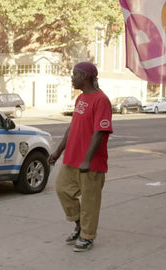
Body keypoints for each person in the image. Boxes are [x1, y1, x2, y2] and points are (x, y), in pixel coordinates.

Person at [48, 62, 112, 252]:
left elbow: (100, 131)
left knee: (90, 202)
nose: (72, 77)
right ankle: (79, 224)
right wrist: (58, 151)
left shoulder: (101, 100)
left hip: (91, 163)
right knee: (62, 190)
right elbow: (72, 127)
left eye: (74, 74)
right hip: (72, 158)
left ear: (84, 76)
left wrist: (87, 159)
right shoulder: (80, 99)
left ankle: (87, 236)